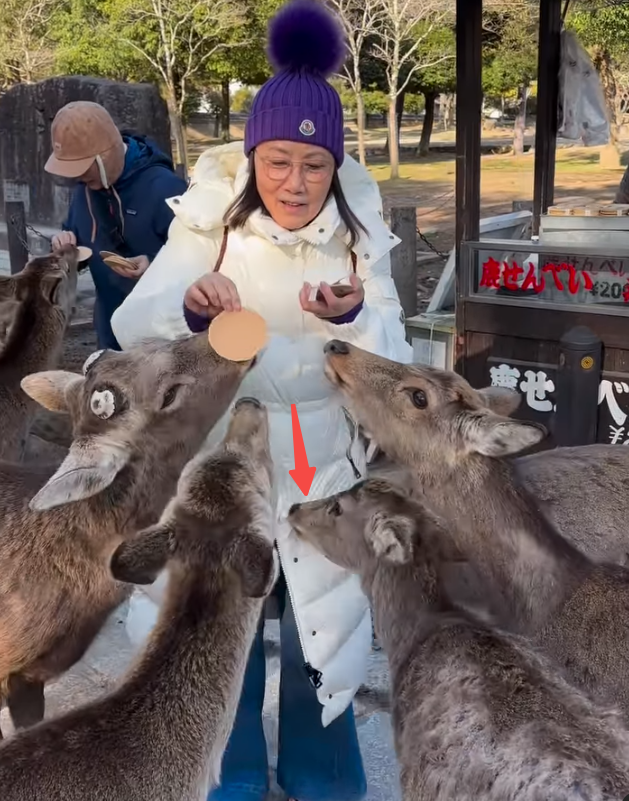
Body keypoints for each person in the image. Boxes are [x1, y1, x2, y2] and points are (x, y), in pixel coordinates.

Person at [111, 1, 413, 799]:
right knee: (218, 631)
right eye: (277, 161)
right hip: (220, 463)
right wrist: (191, 312)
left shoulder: (358, 234)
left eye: (314, 166)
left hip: (320, 466)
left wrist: (354, 318)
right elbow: (132, 326)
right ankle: (230, 780)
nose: (295, 182)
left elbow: (401, 360)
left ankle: (324, 782)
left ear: (335, 167)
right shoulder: (208, 224)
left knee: (325, 635)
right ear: (252, 158)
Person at [45, 100, 188, 350]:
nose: (78, 178)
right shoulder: (86, 188)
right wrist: (66, 247)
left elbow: (201, 261)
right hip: (109, 331)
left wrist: (153, 264)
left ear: (105, 156)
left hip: (162, 338)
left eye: (82, 169)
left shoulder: (165, 188)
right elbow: (80, 239)